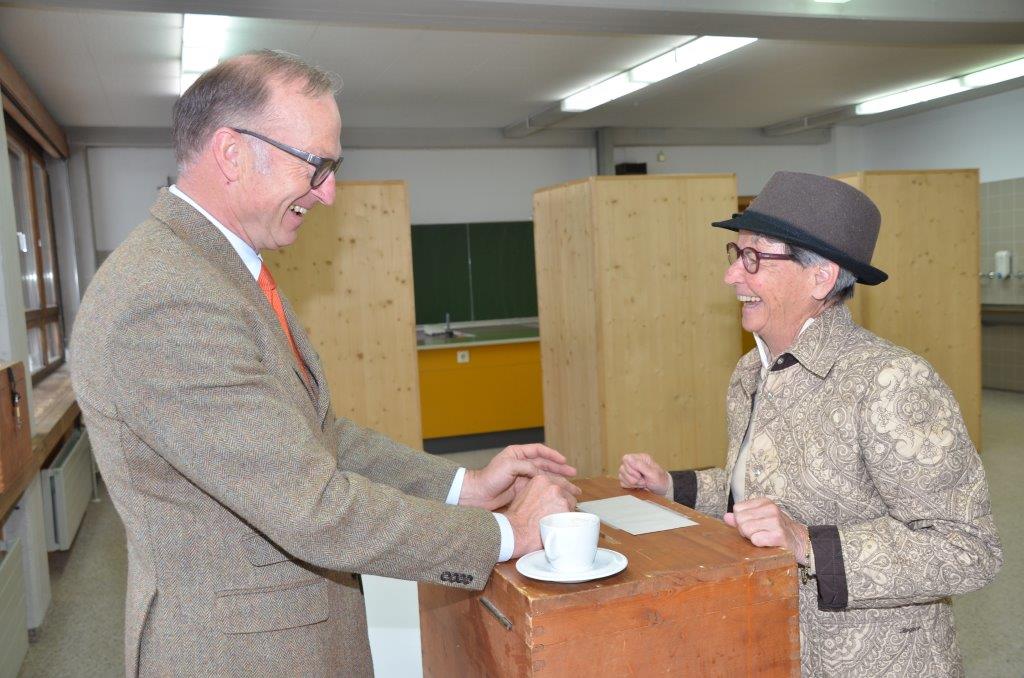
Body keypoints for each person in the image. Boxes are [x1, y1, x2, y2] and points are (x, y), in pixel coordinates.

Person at [70, 50, 579, 677]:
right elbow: (310, 507)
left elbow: (313, 436)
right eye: (316, 165)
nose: (329, 193)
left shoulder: (214, 271)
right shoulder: (171, 297)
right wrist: (509, 534)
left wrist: (463, 487)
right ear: (231, 152)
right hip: (242, 656)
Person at [619, 171, 1002, 676]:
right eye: (735, 254)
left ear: (821, 277)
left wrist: (804, 543)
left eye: (754, 257)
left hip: (877, 663)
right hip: (774, 640)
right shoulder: (751, 372)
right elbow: (761, 492)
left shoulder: (892, 381)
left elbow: (968, 550)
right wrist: (672, 487)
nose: (732, 276)